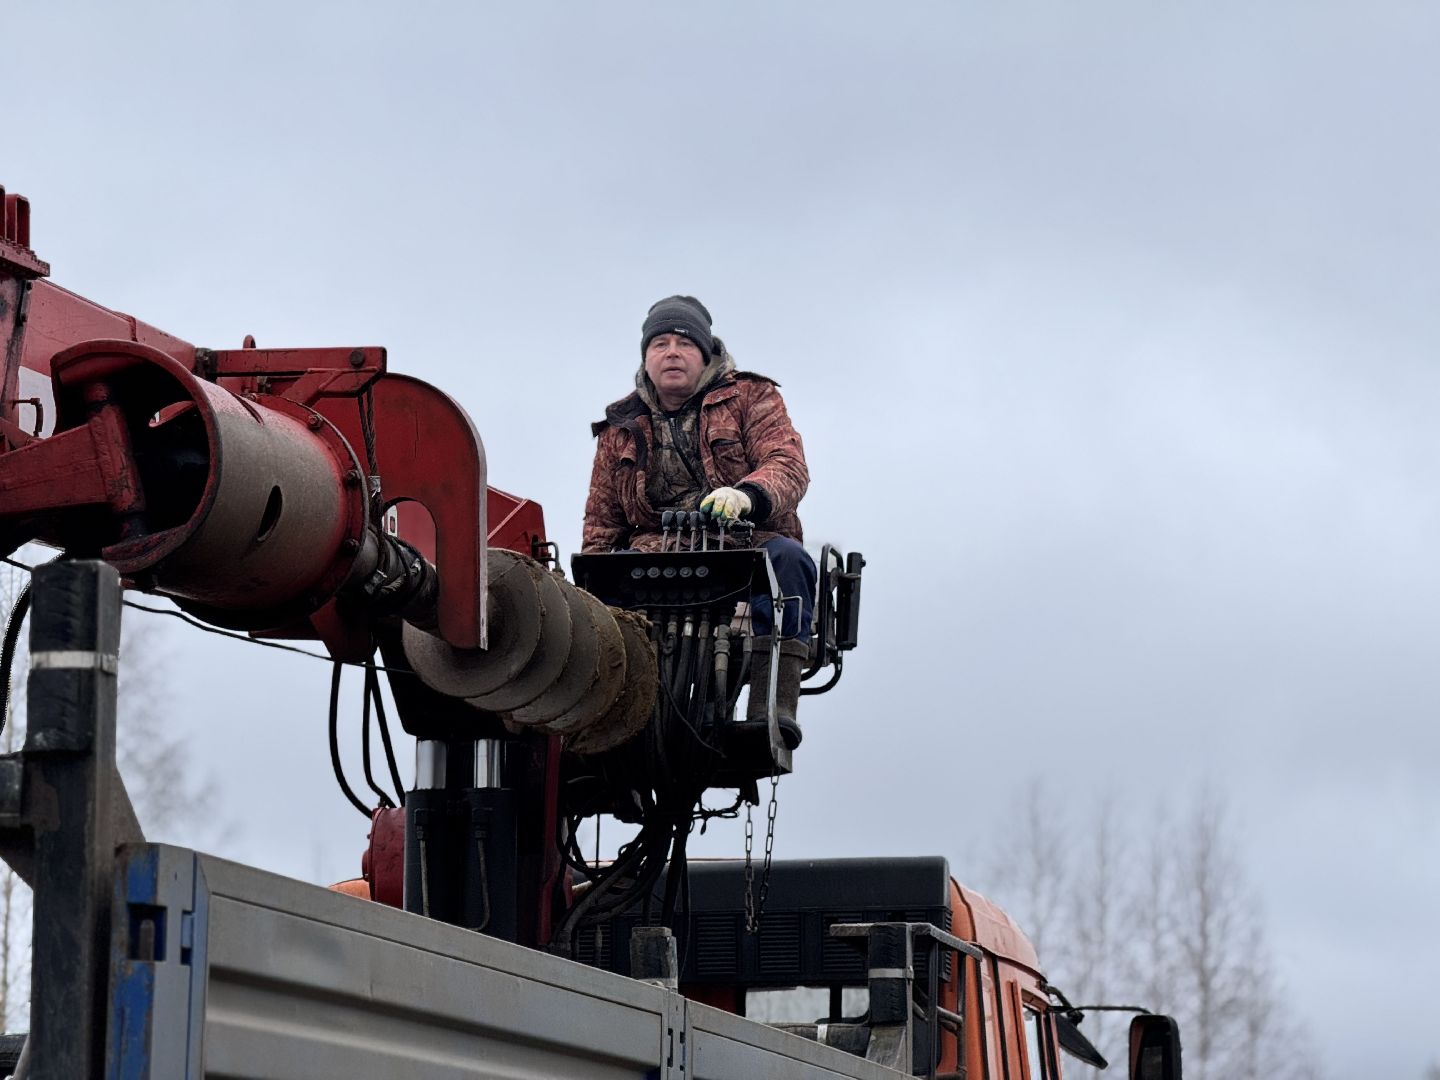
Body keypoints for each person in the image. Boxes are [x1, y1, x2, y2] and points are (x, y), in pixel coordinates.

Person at [583, 295, 816, 746]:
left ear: (706, 354)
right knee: (605, 582)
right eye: (660, 343)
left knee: (788, 562)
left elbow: (787, 464)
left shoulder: (751, 397)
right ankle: (622, 719)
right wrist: (594, 583)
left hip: (745, 547)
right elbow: (602, 520)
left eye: (685, 343)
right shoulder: (619, 426)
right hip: (655, 558)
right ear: (646, 358)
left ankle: (771, 707)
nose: (672, 352)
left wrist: (746, 496)